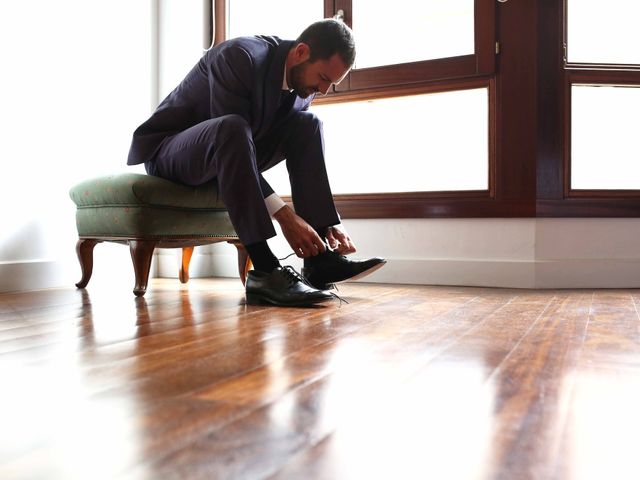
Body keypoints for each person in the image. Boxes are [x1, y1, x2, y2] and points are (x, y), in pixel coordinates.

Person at [127, 19, 385, 306]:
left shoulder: (303, 86)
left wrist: (326, 224)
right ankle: (264, 270)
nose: (323, 90)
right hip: (170, 152)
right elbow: (230, 137)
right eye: (323, 78)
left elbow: (244, 149)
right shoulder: (240, 57)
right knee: (232, 127)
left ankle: (319, 260)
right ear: (301, 52)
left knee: (308, 124)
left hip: (226, 151)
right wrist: (285, 216)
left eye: (331, 84)